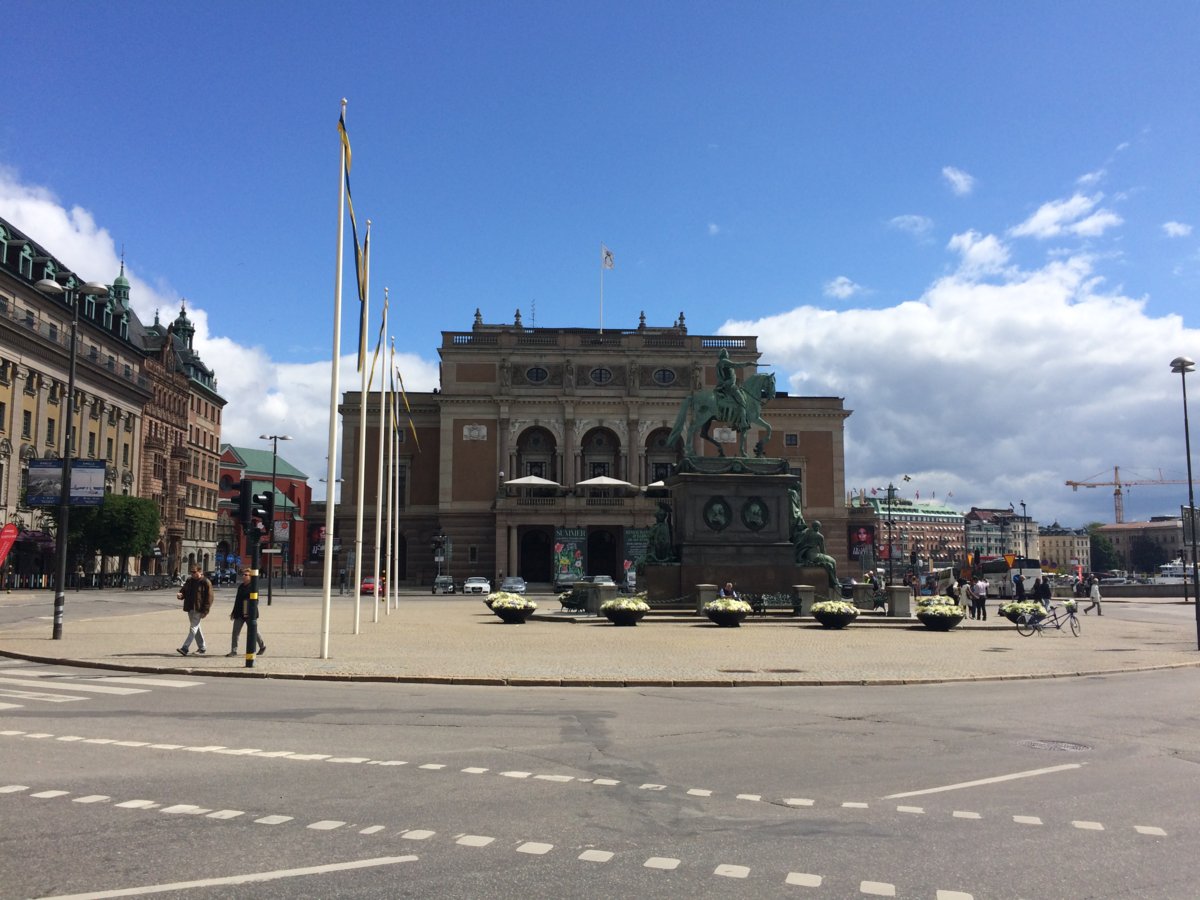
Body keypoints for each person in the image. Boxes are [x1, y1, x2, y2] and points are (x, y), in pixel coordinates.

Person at [227, 569, 266, 657]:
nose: (243, 576)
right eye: (243, 574)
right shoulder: (241, 587)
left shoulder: (253, 587)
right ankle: (233, 650)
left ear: (251, 577)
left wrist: (249, 611)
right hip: (239, 613)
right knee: (235, 633)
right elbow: (237, 600)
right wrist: (233, 612)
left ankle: (262, 646)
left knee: (254, 631)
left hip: (250, 613)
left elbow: (255, 601)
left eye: (246, 575)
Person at [177, 565, 214, 656]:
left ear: (200, 572)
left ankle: (185, 648)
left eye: (194, 572)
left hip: (199, 609)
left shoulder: (205, 582)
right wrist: (181, 595)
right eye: (191, 572)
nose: (192, 574)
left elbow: (210, 598)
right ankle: (202, 648)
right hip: (190, 608)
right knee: (196, 628)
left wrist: (205, 611)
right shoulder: (189, 580)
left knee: (193, 628)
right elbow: (183, 591)